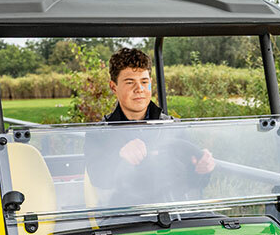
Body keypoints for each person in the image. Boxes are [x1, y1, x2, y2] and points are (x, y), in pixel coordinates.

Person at [85, 48, 214, 205]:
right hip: (125, 219)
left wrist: (203, 169)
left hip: (174, 214)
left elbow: (194, 183)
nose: (139, 88)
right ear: (114, 87)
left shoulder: (172, 127)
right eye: (130, 82)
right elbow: (100, 180)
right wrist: (121, 159)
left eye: (144, 82)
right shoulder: (99, 134)